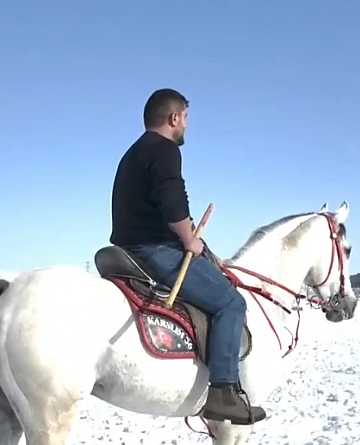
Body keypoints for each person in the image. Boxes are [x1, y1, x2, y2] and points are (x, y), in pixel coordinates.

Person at [109, 88, 265, 425]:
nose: (187, 127)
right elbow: (173, 202)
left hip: (129, 248)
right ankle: (223, 390)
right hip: (155, 250)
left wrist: (202, 247)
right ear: (174, 118)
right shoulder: (164, 150)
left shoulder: (134, 152)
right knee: (231, 303)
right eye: (186, 119)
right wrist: (188, 240)